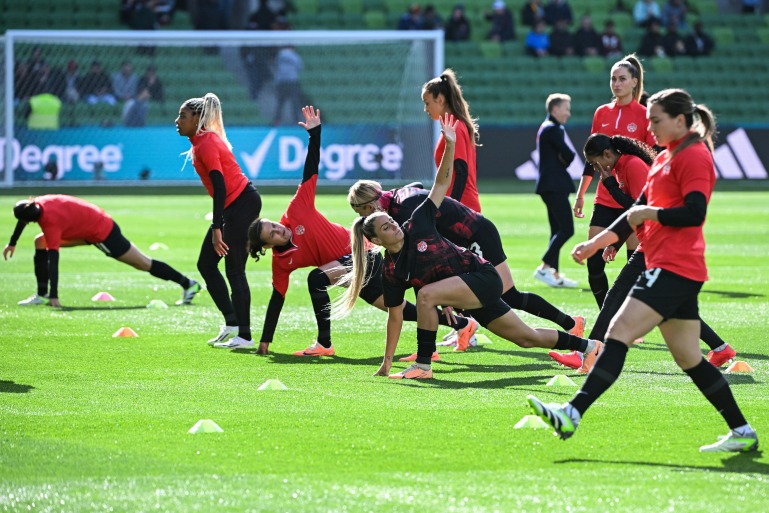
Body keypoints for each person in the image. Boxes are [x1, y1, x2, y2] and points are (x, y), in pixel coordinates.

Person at [528, 88, 759, 453]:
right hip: (667, 265)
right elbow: (632, 211)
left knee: (618, 331)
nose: (649, 128)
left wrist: (649, 215)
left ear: (680, 120)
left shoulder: (695, 156)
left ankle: (571, 412)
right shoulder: (666, 158)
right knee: (689, 358)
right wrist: (595, 243)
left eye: (656, 120)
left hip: (674, 266)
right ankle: (743, 430)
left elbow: (694, 212)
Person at [335, 114, 598, 379]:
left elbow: (440, 183)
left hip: (480, 276)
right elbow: (395, 316)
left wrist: (450, 144)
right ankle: (588, 347)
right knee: (525, 338)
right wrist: (386, 364)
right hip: (465, 287)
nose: (395, 225)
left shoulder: (417, 220)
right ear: (377, 241)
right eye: (387, 227)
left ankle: (424, 366)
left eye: (392, 221)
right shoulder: (391, 269)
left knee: (427, 295)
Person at [248, 107, 464, 357]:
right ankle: (462, 324)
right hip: (353, 266)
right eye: (271, 234)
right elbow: (277, 299)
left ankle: (324, 343)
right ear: (266, 247)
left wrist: (314, 134)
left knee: (316, 279)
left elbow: (310, 171)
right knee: (397, 307)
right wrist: (265, 340)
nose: (278, 230)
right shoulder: (281, 263)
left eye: (273, 225)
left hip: (364, 253)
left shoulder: (296, 210)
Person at [550, 133, 738, 371]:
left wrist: (609, 188)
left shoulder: (633, 166)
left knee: (615, 297)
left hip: (655, 244)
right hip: (653, 242)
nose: (596, 168)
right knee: (672, 307)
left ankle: (586, 352)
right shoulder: (620, 167)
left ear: (608, 154)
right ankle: (721, 349)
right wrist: (615, 244)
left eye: (596, 162)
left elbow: (639, 210)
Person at [348, 180, 586, 344]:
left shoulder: (400, 213)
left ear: (368, 207)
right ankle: (464, 332)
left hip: (475, 234)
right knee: (470, 297)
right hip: (461, 240)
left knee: (508, 294)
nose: (362, 219)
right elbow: (419, 188)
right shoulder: (394, 200)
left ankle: (571, 324)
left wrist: (443, 294)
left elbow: (426, 252)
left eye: (360, 214)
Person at [176, 93, 263, 348]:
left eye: (183, 116)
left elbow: (220, 187)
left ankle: (245, 336)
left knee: (235, 269)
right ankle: (232, 323)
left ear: (197, 119)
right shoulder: (200, 141)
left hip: (241, 204)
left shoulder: (206, 143)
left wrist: (217, 228)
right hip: (233, 206)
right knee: (206, 263)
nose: (177, 121)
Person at [4, 195, 200, 308]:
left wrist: (56, 296)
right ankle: (42, 294)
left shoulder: (51, 224)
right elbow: (24, 217)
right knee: (40, 241)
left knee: (142, 263)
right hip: (91, 226)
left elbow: (54, 260)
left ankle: (188, 284)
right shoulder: (39, 202)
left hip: (102, 233)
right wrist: (12, 242)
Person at [573, 54, 656, 308]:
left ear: (634, 82)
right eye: (613, 79)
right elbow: (591, 156)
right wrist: (580, 194)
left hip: (632, 198)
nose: (616, 84)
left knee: (633, 265)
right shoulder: (602, 113)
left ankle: (629, 322)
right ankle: (606, 316)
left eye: (622, 79)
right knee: (594, 262)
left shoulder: (644, 114)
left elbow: (652, 158)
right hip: (605, 197)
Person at [533, 94, 579, 289]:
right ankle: (544, 268)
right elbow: (569, 154)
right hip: (554, 185)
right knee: (567, 229)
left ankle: (555, 274)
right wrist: (564, 161)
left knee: (557, 230)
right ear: (555, 109)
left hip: (549, 185)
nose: (568, 113)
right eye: (565, 108)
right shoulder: (554, 129)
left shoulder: (546, 127)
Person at [421, 69, 482, 212]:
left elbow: (461, 169)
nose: (425, 109)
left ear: (440, 100)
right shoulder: (455, 125)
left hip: (462, 206)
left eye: (427, 103)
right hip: (462, 204)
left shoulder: (455, 126)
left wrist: (453, 207)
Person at [271, 46, 304, 126]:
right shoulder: (295, 56)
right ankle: (296, 121)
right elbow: (299, 67)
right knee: (294, 102)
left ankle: (277, 120)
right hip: (292, 81)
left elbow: (276, 67)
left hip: (281, 82)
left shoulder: (279, 55)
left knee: (280, 103)